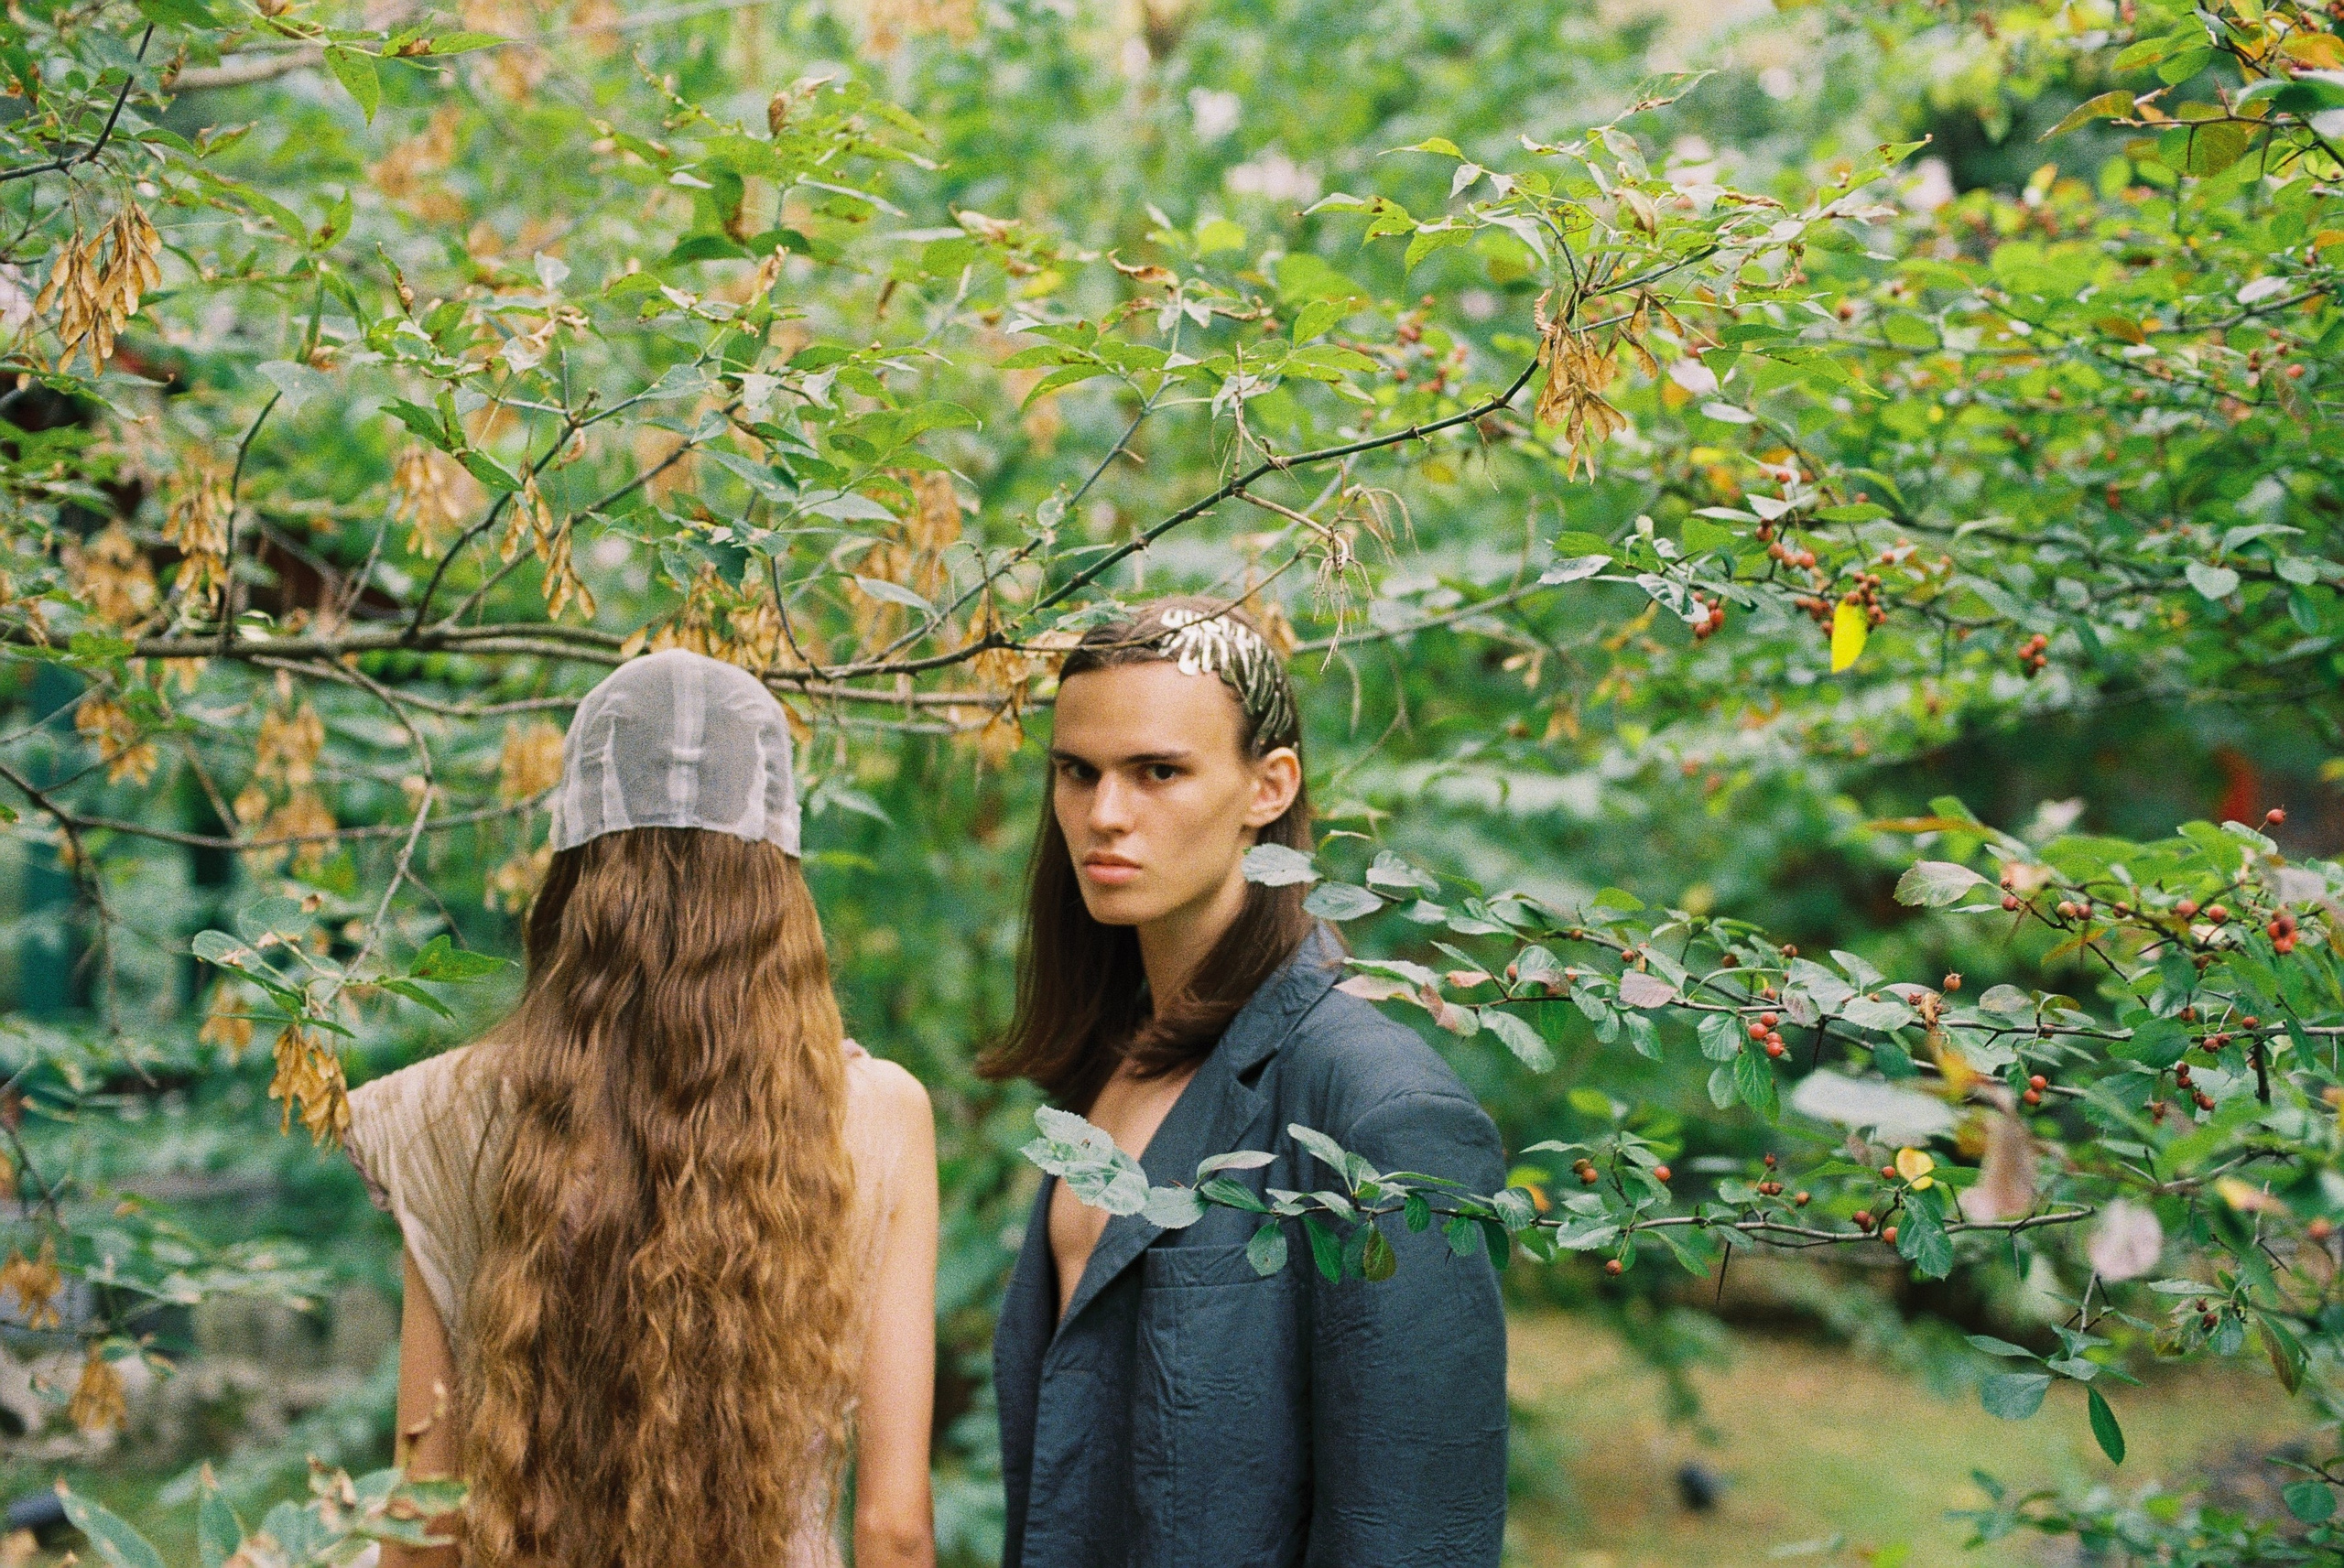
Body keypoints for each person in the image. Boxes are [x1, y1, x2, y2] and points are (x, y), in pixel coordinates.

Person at [343, 649, 939, 1568]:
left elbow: (425, 1522)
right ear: (779, 871)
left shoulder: (441, 1113)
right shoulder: (879, 1114)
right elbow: (893, 1530)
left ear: (573, 866)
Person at [980, 597, 1508, 1568]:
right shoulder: (1116, 1061)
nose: (1103, 814)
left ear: (1268, 787)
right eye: (1076, 772)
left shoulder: (1381, 1106)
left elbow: (1416, 1535)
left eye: (1158, 773)